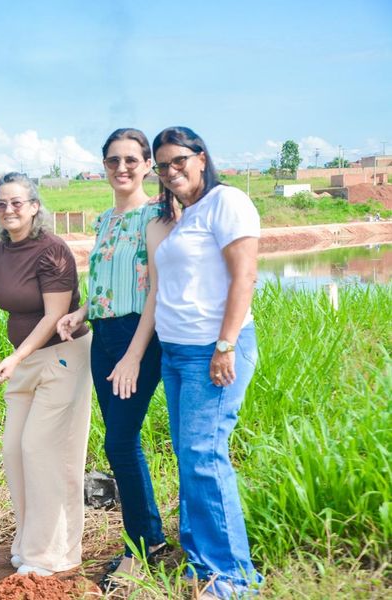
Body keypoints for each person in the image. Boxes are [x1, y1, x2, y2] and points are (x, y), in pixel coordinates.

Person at [0, 172, 92, 576]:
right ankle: (30, 541)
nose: (8, 210)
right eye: (1, 204)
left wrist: (14, 359)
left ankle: (51, 554)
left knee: (44, 451)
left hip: (63, 357)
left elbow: (54, 316)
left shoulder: (52, 251)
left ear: (35, 206)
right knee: (15, 451)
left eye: (17, 202)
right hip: (24, 360)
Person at [56, 128, 172, 587]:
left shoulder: (157, 217)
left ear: (147, 165)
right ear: (103, 167)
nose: (121, 168)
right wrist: (81, 313)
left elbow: (157, 292)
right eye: (112, 161)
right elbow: (108, 283)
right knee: (121, 441)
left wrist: (134, 355)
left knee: (120, 443)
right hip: (104, 334)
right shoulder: (104, 219)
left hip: (137, 335)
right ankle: (151, 537)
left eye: (131, 160)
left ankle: (141, 549)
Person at [151, 126, 261, 599]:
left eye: (179, 160)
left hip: (209, 350)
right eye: (163, 165)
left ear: (200, 157)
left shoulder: (226, 201)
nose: (171, 171)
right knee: (189, 456)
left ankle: (235, 578)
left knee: (204, 456)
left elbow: (245, 275)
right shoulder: (187, 214)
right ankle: (201, 559)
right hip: (176, 353)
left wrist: (225, 344)